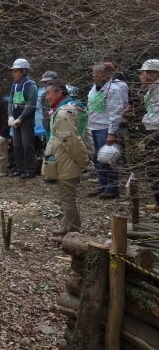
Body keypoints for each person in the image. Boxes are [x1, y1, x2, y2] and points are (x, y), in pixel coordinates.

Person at [42, 81, 93, 243]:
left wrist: (84, 161)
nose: (46, 96)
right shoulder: (74, 107)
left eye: (49, 92)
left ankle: (73, 233)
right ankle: (70, 226)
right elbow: (85, 134)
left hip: (67, 158)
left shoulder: (64, 112)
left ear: (58, 92)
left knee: (68, 196)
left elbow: (71, 141)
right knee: (67, 196)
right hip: (66, 157)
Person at [87, 62, 128, 198]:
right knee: (98, 158)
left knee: (109, 158)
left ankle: (112, 188)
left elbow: (115, 112)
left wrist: (112, 132)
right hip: (94, 126)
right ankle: (102, 184)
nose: (94, 76)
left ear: (107, 74)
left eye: (98, 73)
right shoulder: (94, 88)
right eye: (94, 73)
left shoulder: (114, 89)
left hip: (106, 128)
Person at [8, 58, 39, 179]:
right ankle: (20, 169)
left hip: (26, 119)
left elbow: (31, 104)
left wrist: (21, 118)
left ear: (24, 71)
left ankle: (29, 170)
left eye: (16, 71)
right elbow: (10, 101)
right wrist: (10, 116)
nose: (13, 73)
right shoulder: (14, 85)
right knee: (17, 144)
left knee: (27, 144)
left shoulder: (31, 86)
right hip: (15, 118)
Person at [138, 60, 159, 206]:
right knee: (151, 168)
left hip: (156, 131)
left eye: (143, 73)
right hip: (151, 129)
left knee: (154, 168)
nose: (141, 77)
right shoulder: (151, 89)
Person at [38, 71, 59, 137]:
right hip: (47, 127)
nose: (46, 85)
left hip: (58, 128)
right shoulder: (43, 96)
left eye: (48, 82)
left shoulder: (60, 94)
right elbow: (44, 111)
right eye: (44, 82)